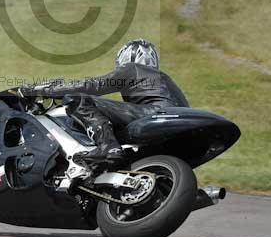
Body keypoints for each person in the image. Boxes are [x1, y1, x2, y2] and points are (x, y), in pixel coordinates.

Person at [21, 39, 189, 169]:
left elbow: (93, 86)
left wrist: (48, 90)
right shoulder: (167, 80)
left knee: (79, 98)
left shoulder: (133, 68)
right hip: (178, 131)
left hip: (154, 114)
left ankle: (107, 147)